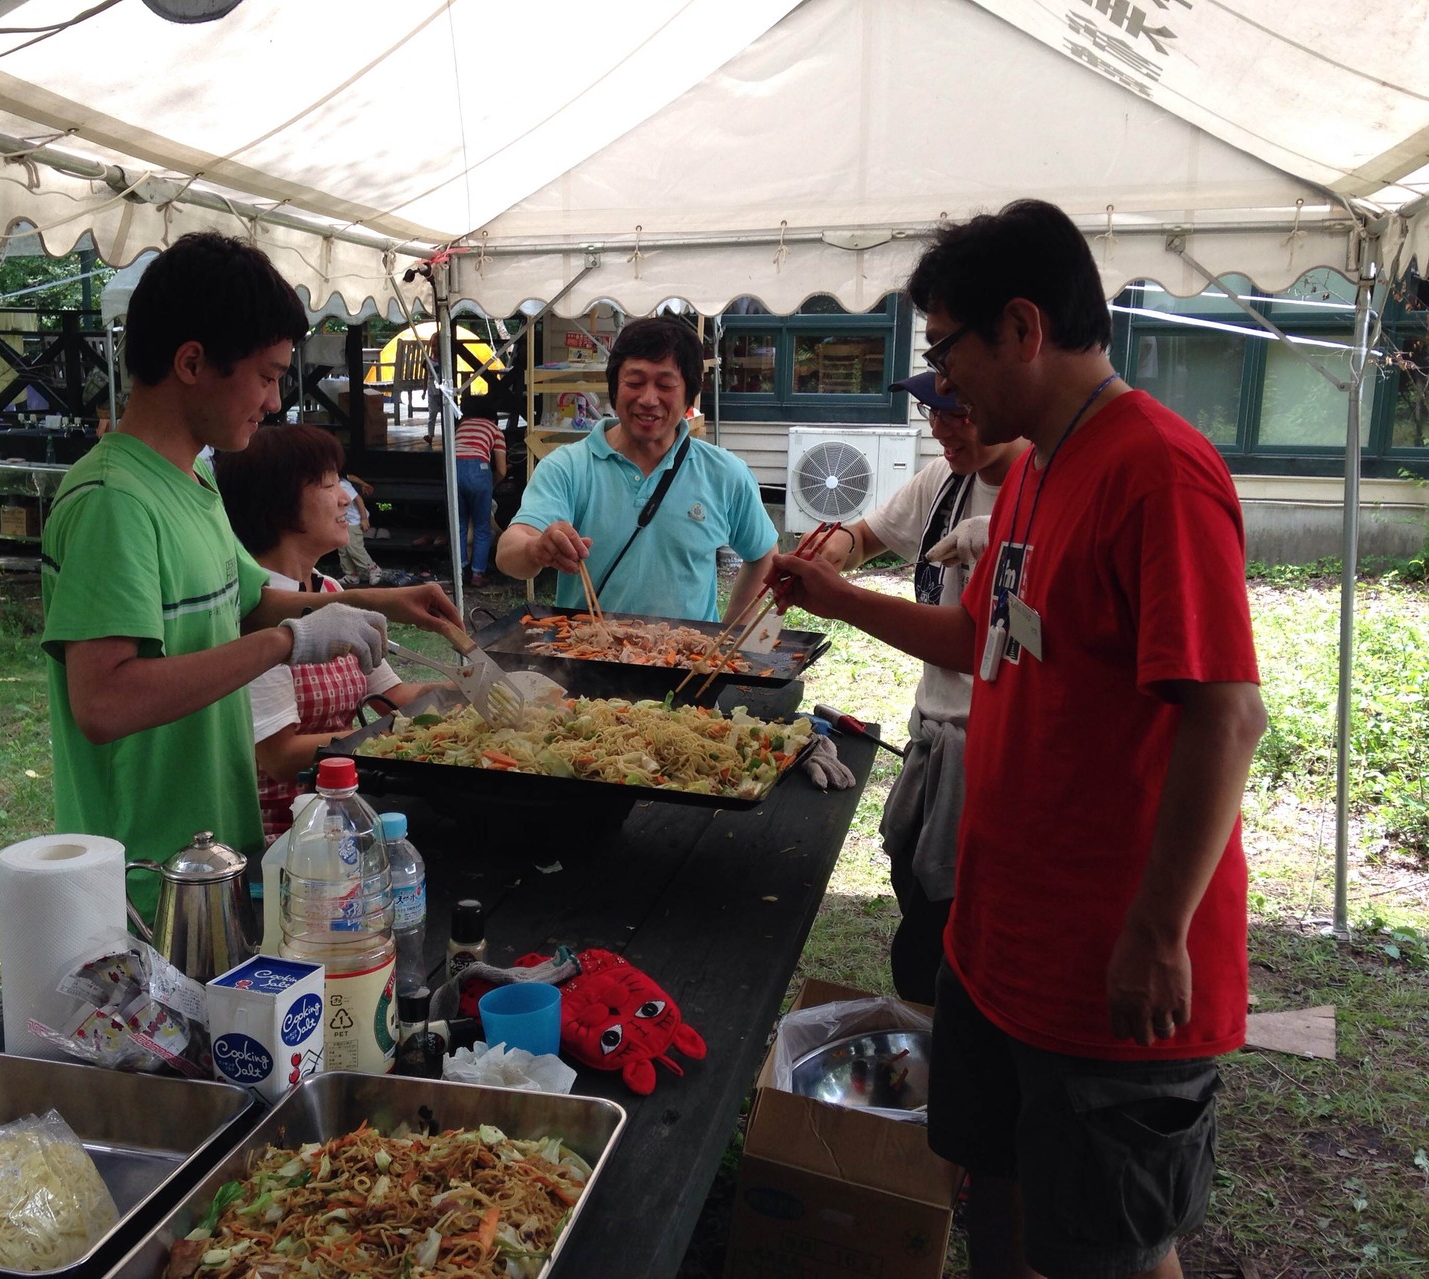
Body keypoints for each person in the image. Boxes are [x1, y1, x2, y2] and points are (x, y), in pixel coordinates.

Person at [772, 199, 1267, 1279]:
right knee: (995, 1197)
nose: (942, 383)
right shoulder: (1038, 465)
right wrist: (835, 595)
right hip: (1002, 944)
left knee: (1111, 1245)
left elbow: (1224, 715)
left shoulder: (1157, 472)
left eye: (945, 349)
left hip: (1101, 959)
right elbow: (977, 632)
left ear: (1021, 328)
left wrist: (1154, 932)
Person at [40, 231, 461, 919]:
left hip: (213, 858)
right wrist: (288, 645)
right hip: (146, 882)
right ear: (192, 362)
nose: (272, 402)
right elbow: (104, 703)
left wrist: (387, 601)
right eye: (266, 375)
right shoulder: (112, 501)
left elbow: (259, 599)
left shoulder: (192, 483)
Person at [795, 371, 1027, 1006]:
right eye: (932, 410)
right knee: (918, 902)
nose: (939, 428)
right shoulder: (946, 480)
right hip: (935, 738)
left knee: (959, 941)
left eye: (956, 411)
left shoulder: (1041, 491)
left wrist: (842, 601)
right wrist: (834, 551)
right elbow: (868, 536)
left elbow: (976, 640)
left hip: (997, 756)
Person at [214, 424, 442, 841]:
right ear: (278, 504)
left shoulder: (331, 592)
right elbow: (280, 756)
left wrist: (464, 696)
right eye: (327, 484)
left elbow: (390, 695)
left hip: (346, 817)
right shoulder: (252, 614)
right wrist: (399, 731)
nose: (345, 498)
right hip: (285, 838)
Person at [496, 317, 777, 624]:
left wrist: (728, 637)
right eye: (635, 382)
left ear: (689, 392)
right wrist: (537, 549)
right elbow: (509, 552)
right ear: (615, 386)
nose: (648, 399)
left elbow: (764, 554)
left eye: (665, 385)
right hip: (584, 662)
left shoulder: (725, 474)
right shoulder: (568, 467)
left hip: (685, 666)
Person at [454, 390, 507, 587]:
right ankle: (477, 573)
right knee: (482, 527)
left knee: (459, 525)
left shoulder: (462, 425)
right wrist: (490, 484)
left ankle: (460, 571)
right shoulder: (494, 430)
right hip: (479, 471)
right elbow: (501, 469)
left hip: (455, 470)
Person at [336, 475, 381, 586]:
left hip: (353, 521)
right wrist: (363, 483)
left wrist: (364, 519)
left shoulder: (342, 485)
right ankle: (352, 575)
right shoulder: (331, 484)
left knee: (354, 547)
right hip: (341, 520)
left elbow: (358, 499)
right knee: (343, 549)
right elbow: (350, 476)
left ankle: (372, 568)